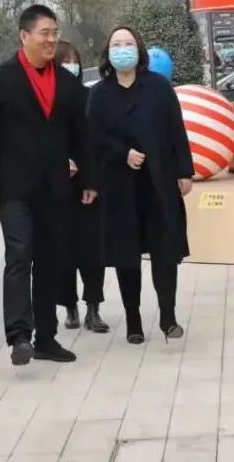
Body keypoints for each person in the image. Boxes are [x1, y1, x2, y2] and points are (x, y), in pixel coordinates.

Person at [0, 5, 96, 366]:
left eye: (55, 33)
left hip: (55, 186)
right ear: (24, 36)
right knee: (19, 255)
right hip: (14, 187)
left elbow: (82, 136)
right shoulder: (0, 80)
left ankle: (46, 338)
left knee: (49, 261)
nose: (51, 40)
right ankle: (19, 336)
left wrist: (89, 178)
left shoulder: (67, 84)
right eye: (45, 33)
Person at [87, 26, 195, 345]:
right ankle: (133, 318)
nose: (123, 49)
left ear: (139, 50)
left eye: (128, 43)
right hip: (119, 185)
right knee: (127, 254)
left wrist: (184, 171)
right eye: (116, 44)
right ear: (108, 53)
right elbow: (93, 137)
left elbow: (176, 131)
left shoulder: (159, 88)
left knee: (165, 250)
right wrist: (122, 153)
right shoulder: (99, 94)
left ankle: (168, 316)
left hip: (158, 182)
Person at [54, 41, 108, 335]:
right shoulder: (45, 100)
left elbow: (94, 144)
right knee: (63, 251)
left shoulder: (89, 98)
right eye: (64, 61)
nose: (70, 66)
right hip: (57, 187)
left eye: (74, 60)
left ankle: (93, 307)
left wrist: (91, 181)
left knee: (92, 250)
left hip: (87, 186)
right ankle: (69, 306)